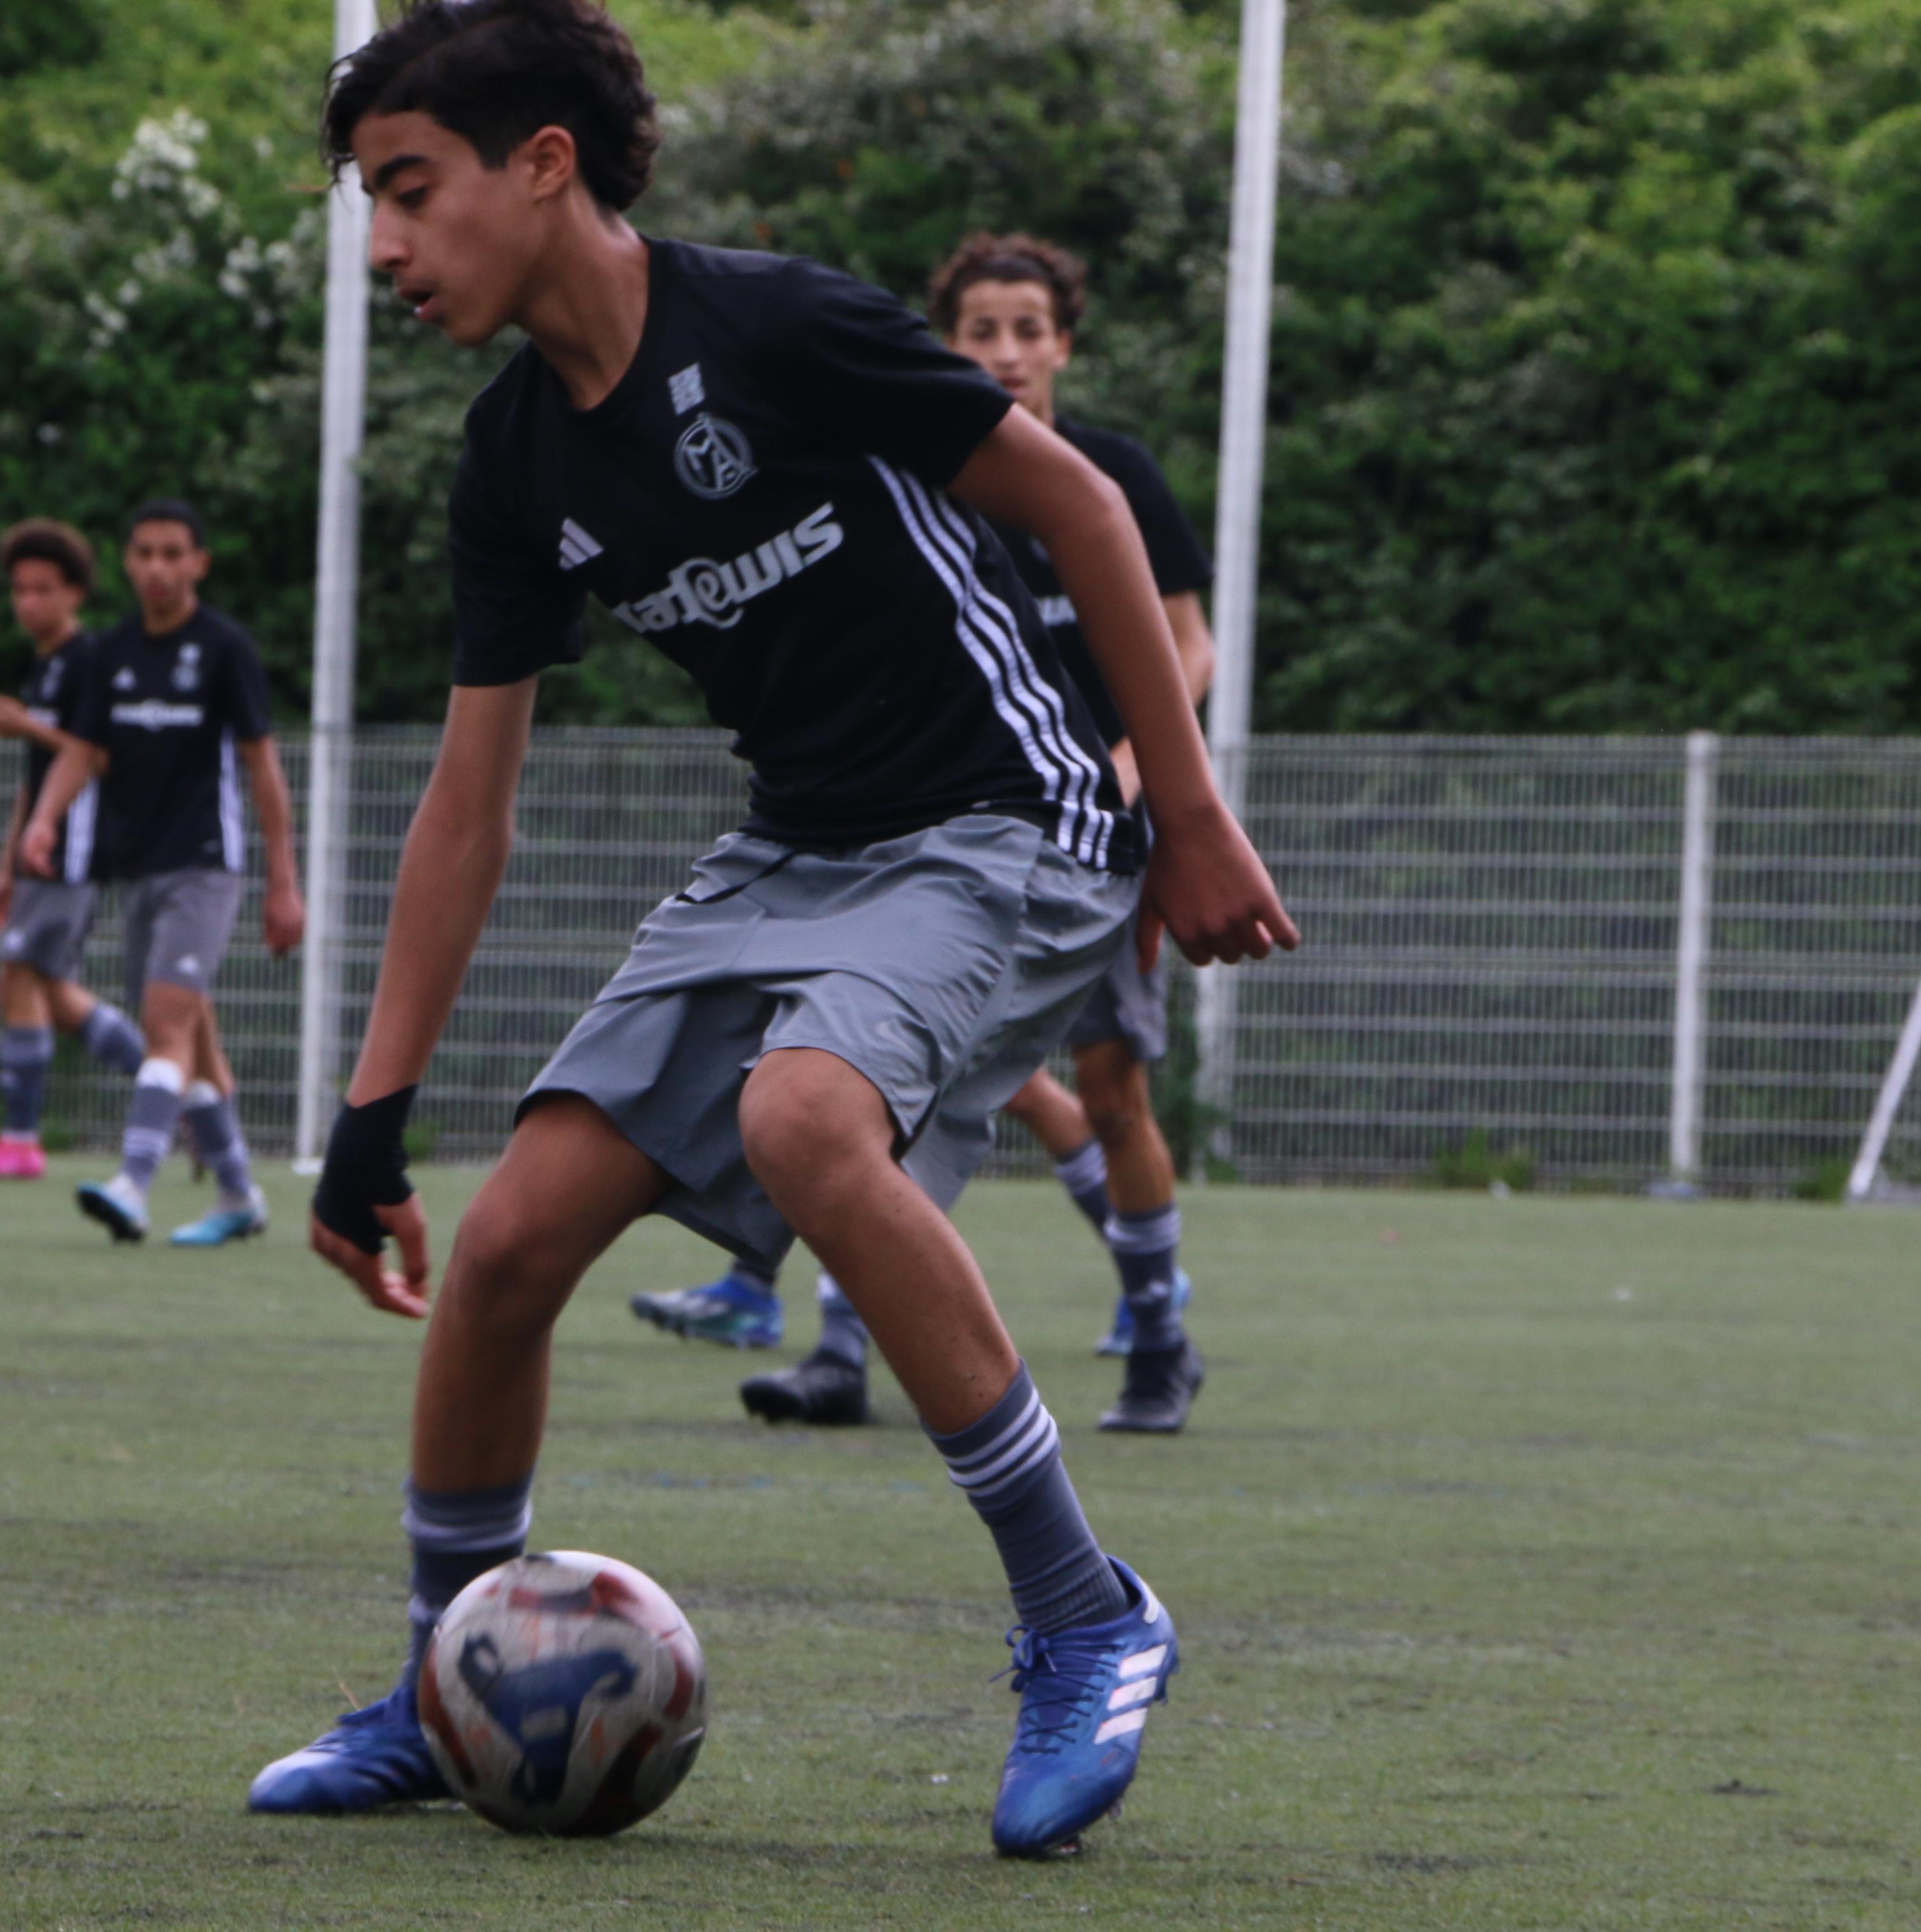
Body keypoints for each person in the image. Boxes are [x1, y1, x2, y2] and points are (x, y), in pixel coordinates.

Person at [253, 0, 1296, 1858]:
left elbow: (1079, 508)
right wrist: (368, 1114)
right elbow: (467, 805)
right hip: (801, 850)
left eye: (408, 193)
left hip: (1011, 824)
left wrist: (1190, 817)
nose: (385, 248)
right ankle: (444, 1681)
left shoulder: (779, 324)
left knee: (805, 1120)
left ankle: (1083, 1609)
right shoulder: (512, 467)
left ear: (543, 164)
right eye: (368, 206)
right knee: (502, 1248)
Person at [724, 231, 1224, 1435]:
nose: (1005, 352)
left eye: (1027, 329)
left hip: (1103, 835)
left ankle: (1158, 1334)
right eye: (980, 332)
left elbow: (1187, 644)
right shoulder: (919, 476)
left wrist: (1128, 773)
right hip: (956, 835)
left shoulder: (1110, 474)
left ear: (1063, 342)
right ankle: (839, 1353)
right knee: (873, 1085)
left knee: (1111, 1092)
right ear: (945, 346)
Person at [19, 501, 306, 1248]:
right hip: (137, 870)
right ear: (127, 562)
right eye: (143, 553)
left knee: (166, 1026)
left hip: (205, 867)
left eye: (172, 554)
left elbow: (263, 769)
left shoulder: (222, 649)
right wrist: (45, 820)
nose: (157, 567)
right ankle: (240, 1193)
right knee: (194, 1037)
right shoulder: (108, 655)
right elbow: (79, 751)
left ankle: (133, 1184)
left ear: (198, 565)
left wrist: (285, 881)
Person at [0, 518, 153, 1180]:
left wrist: (22, 726)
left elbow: (99, 757)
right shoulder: (46, 667)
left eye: (43, 589)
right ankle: (172, 1087)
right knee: (55, 995)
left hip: (73, 848)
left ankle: (20, 1142)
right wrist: (4, 867)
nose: (28, 602)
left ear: (75, 594)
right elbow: (34, 779)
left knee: (18, 977)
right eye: (20, 590)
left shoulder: (91, 662)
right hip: (37, 855)